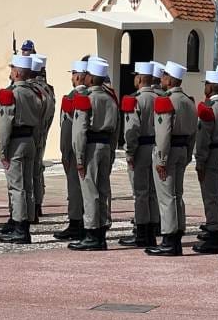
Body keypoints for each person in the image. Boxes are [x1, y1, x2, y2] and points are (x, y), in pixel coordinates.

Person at [145, 61, 197, 257]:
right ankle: (176, 237)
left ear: (170, 79)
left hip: (169, 151)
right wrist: (189, 152)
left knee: (166, 197)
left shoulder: (166, 100)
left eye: (164, 76)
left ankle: (168, 239)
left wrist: (161, 159)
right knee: (177, 195)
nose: (161, 79)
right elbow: (193, 132)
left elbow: (163, 134)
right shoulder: (188, 100)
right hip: (182, 149)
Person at [69, 57, 117, 252]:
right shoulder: (110, 97)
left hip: (90, 147)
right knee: (104, 189)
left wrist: (79, 157)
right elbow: (116, 129)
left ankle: (91, 233)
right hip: (106, 145)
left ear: (90, 77)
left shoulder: (86, 98)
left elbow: (80, 131)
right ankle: (102, 232)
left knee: (90, 191)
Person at [0, 55, 44, 245]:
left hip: (15, 142)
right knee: (27, 185)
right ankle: (25, 222)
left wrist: (3, 149)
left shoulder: (11, 93)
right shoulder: (36, 92)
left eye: (12, 70)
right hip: (30, 140)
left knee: (17, 187)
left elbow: (5, 124)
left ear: (16, 72)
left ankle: (20, 228)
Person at [118, 62, 161, 249]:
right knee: (153, 192)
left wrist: (129, 152)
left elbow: (132, 129)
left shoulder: (136, 99)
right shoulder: (161, 97)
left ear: (140, 78)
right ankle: (152, 230)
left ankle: (142, 232)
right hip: (157, 146)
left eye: (136, 76)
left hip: (142, 148)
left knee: (141, 192)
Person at [192, 69, 218, 255]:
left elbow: (203, 137)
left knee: (211, 195)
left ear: (209, 87)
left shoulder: (209, 108)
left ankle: (214, 231)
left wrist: (200, 161)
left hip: (213, 153)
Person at [52, 59, 89, 242]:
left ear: (78, 76)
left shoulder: (72, 97)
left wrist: (65, 153)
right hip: (93, 147)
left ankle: (76, 223)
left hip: (75, 149)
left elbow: (67, 129)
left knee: (74, 188)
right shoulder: (100, 94)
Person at [29, 54, 55, 223]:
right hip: (41, 133)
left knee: (29, 174)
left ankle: (31, 208)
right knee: (37, 171)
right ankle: (37, 205)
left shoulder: (33, 90)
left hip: (31, 135)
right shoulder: (48, 89)